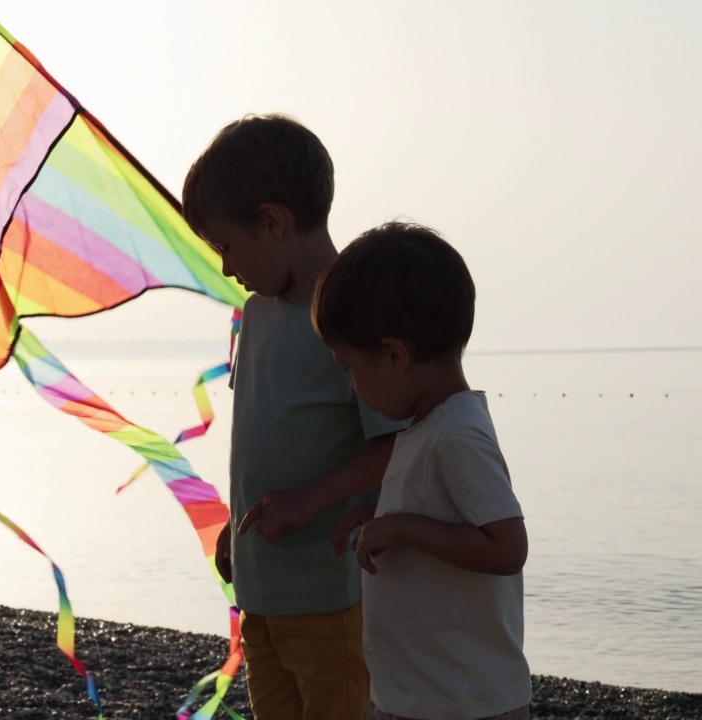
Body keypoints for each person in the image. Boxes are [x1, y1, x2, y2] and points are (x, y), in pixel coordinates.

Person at [180, 114, 409, 720]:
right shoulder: (254, 316)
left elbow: (396, 446)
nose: (227, 268)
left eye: (227, 247)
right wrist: (237, 525)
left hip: (327, 600)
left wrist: (311, 500)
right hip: (261, 596)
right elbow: (263, 433)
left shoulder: (349, 318)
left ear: (273, 222)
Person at [313, 222, 531, 720]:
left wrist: (403, 525)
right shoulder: (428, 427)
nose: (351, 385)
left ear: (394, 356)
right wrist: (380, 513)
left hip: (460, 701)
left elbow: (508, 547)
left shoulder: (457, 434)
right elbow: (440, 511)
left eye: (351, 368)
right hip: (414, 693)